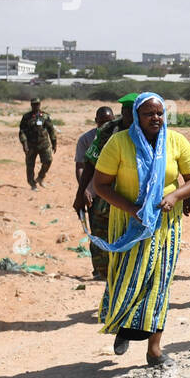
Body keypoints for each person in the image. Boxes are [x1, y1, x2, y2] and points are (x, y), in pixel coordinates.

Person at [91, 93, 190, 367]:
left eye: (159, 113)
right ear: (137, 117)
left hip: (166, 225)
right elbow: (101, 185)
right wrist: (132, 209)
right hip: (129, 223)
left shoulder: (176, 141)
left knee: (160, 282)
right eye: (148, 114)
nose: (155, 118)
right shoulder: (119, 143)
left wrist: (176, 196)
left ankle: (154, 349)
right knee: (128, 278)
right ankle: (125, 328)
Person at [74, 94, 138, 279]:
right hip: (104, 192)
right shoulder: (108, 131)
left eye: (134, 113)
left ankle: (126, 271)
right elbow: (88, 164)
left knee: (130, 233)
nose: (131, 118)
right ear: (123, 113)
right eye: (127, 113)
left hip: (133, 194)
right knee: (100, 232)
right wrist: (81, 193)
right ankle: (101, 273)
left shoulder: (149, 131)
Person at [75, 106, 116, 279]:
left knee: (117, 232)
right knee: (98, 233)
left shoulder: (120, 137)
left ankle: (116, 269)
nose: (105, 126)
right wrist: (83, 190)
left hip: (117, 193)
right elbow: (81, 167)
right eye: (101, 123)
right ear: (96, 122)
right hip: (95, 193)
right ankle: (100, 270)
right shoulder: (87, 139)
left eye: (108, 122)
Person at [18, 97, 58, 190]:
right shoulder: (26, 117)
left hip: (44, 144)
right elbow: (22, 131)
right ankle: (32, 183)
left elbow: (51, 130)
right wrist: (24, 144)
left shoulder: (44, 116)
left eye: (37, 104)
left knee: (48, 161)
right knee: (30, 165)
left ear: (40, 105)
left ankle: (40, 177)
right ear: (31, 105)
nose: (36, 106)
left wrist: (54, 143)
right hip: (31, 145)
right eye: (34, 104)